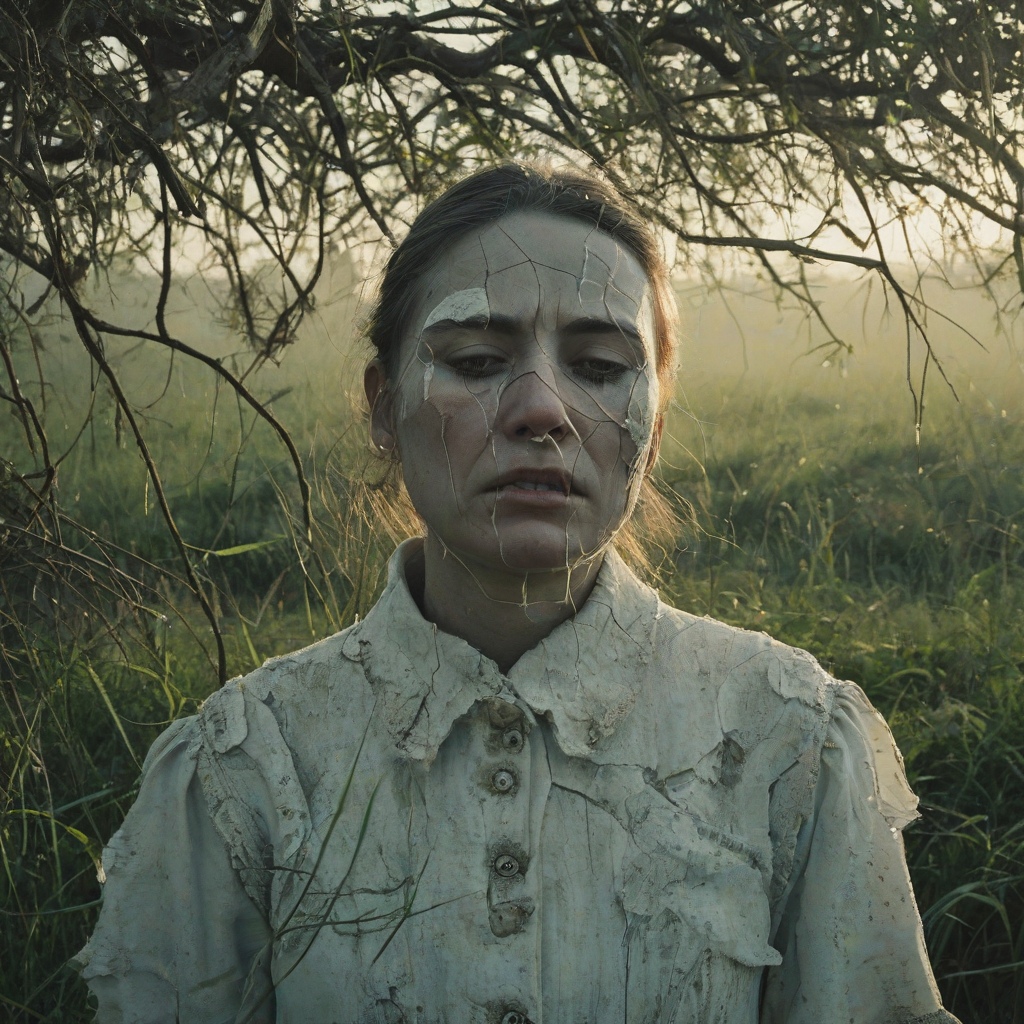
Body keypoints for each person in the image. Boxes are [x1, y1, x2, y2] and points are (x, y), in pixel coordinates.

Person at [75, 164, 960, 1024]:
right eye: (477, 357)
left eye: (603, 365)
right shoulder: (247, 771)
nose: (543, 407)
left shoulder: (788, 741)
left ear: (652, 431)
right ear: (383, 411)